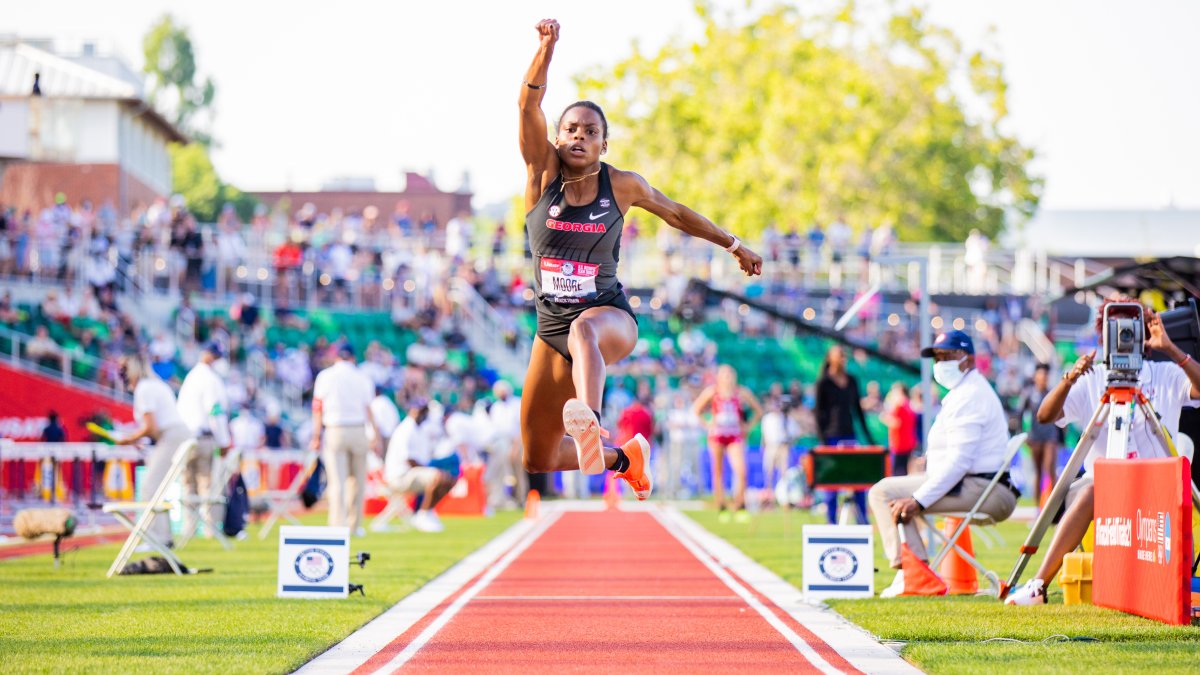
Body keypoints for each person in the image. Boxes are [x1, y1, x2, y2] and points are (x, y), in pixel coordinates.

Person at [516, 19, 763, 504]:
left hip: (609, 319)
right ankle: (624, 459)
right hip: (550, 329)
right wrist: (546, 49)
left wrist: (734, 245)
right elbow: (528, 104)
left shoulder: (623, 185)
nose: (578, 136)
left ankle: (590, 419)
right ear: (558, 138)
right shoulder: (540, 174)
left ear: (604, 145)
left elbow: (675, 213)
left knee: (584, 328)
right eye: (570, 129)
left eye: (590, 131)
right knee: (538, 458)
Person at [1006, 301, 1200, 605]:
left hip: (1156, 485)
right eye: (1116, 328)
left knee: (1095, 489)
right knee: (1091, 489)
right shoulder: (1093, 378)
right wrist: (1070, 379)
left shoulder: (1165, 374)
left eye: (1129, 328)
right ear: (1103, 334)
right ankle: (1038, 585)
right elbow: (1044, 416)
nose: (1123, 335)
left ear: (1144, 332)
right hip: (1106, 489)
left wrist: (1172, 350)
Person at [868, 330, 1017, 596]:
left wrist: (919, 500)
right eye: (938, 357)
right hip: (975, 484)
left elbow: (960, 461)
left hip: (983, 488)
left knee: (884, 493)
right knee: (888, 492)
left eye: (949, 355)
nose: (941, 363)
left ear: (968, 359)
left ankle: (912, 575)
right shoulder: (965, 391)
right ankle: (915, 573)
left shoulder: (970, 395)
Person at [115, 355, 190, 547]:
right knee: (156, 487)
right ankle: (163, 537)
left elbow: (150, 426)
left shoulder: (144, 388)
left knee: (150, 486)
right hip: (174, 435)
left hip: (171, 436)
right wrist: (143, 439)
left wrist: (129, 439)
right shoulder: (155, 385)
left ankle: (158, 538)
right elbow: (154, 429)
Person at [311, 343, 378, 536]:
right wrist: (374, 434)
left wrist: (316, 435)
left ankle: (337, 526)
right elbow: (369, 409)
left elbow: (317, 408)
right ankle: (354, 526)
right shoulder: (362, 377)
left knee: (337, 481)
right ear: (353, 358)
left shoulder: (325, 376)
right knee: (357, 481)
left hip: (335, 429)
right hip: (358, 429)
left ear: (336, 357)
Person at [175, 341, 232, 538]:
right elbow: (215, 412)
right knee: (208, 485)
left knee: (188, 486)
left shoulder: (191, 377)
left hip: (186, 438)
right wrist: (224, 441)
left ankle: (188, 530)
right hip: (204, 438)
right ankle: (210, 530)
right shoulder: (210, 379)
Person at [693, 365, 763, 522]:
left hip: (735, 435)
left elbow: (758, 410)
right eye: (724, 375)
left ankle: (740, 505)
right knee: (718, 472)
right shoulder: (713, 392)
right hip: (717, 435)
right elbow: (696, 409)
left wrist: (748, 427)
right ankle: (722, 506)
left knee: (741, 470)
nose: (728, 378)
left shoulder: (741, 392)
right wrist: (708, 425)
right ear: (719, 377)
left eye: (730, 374)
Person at [814, 345, 875, 523]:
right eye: (838, 355)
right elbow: (819, 413)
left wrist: (868, 438)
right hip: (831, 437)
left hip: (849, 435)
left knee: (857, 480)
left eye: (843, 355)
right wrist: (823, 440)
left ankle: (862, 520)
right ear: (829, 359)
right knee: (831, 482)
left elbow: (858, 411)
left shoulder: (852, 381)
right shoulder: (823, 383)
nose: (842, 358)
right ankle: (831, 520)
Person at [385, 400, 456, 533]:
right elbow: (408, 460)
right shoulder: (405, 429)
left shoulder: (420, 429)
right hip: (399, 476)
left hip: (411, 474)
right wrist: (427, 469)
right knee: (437, 477)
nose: (421, 414)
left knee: (449, 479)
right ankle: (422, 514)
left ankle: (428, 511)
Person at [1016, 363, 1060, 505]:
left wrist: (1060, 437)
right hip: (1035, 437)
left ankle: (1054, 509)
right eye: (1040, 374)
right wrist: (1023, 434)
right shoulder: (1029, 394)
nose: (1043, 377)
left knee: (1050, 470)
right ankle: (1038, 509)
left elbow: (1060, 415)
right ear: (1035, 376)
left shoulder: (1052, 393)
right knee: (1038, 473)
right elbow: (1019, 414)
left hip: (1050, 436)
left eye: (1045, 375)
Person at [879, 383, 918, 477]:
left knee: (897, 471)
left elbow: (896, 423)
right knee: (904, 470)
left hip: (899, 444)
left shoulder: (899, 406)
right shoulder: (909, 404)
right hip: (908, 442)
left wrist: (884, 417)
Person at [760, 397, 791, 492]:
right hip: (771, 446)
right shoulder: (767, 418)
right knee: (768, 472)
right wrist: (763, 446)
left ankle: (783, 495)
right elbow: (764, 434)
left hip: (783, 446)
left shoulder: (785, 417)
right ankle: (768, 495)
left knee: (783, 473)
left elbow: (791, 433)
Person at [368, 386, 402, 455]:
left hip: (384, 437)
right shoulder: (387, 401)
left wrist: (377, 441)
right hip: (393, 435)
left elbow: (377, 424)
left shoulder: (376, 403)